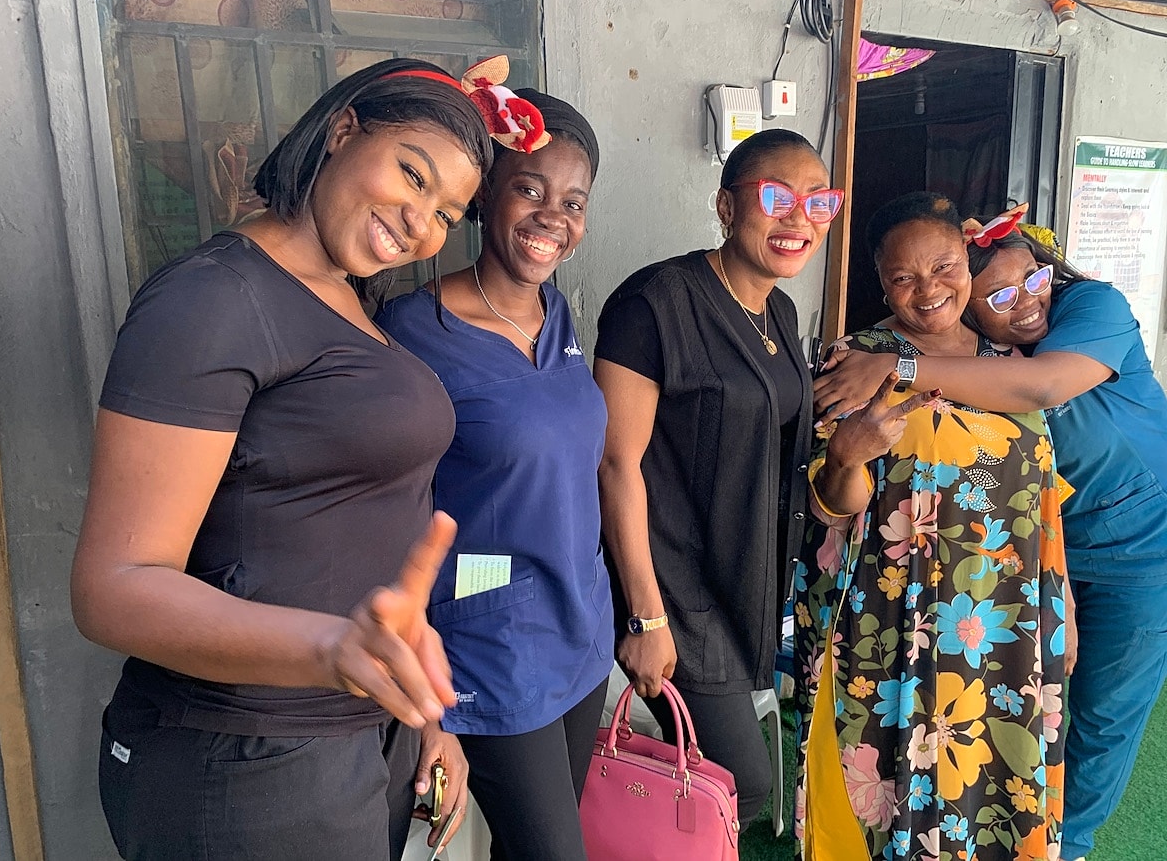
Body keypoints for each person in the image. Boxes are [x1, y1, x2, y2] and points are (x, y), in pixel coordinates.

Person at [70, 58, 502, 860]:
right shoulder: (212, 299)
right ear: (342, 130)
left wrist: (421, 717)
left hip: (350, 742)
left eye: (447, 212)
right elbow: (113, 591)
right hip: (244, 760)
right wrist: (331, 649)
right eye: (412, 174)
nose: (420, 223)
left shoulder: (344, 294)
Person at [814, 208, 1167, 861]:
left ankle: (1073, 848)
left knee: (1097, 721)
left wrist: (903, 363)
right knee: (932, 751)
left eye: (1032, 282)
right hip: (982, 583)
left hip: (1144, 548)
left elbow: (1041, 386)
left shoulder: (1087, 308)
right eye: (999, 296)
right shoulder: (959, 354)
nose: (1027, 303)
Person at [796, 192, 1067, 860]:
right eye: (903, 278)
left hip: (1005, 626)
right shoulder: (855, 363)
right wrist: (849, 453)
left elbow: (1041, 506)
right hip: (890, 625)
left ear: (969, 265)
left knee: (994, 787)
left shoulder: (1009, 365)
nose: (928, 291)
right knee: (887, 797)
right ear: (882, 284)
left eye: (944, 266)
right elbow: (831, 507)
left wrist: (1063, 616)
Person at [376, 90, 610, 861]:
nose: (553, 218)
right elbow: (389, 511)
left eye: (572, 202)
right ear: (485, 197)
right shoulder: (417, 332)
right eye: (530, 189)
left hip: (580, 631)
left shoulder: (559, 319)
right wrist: (425, 706)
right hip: (490, 641)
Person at [592, 128, 839, 826]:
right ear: (727, 207)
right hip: (674, 583)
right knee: (741, 784)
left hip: (742, 578)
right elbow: (616, 462)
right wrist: (645, 614)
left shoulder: (779, 311)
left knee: (717, 782)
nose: (800, 219)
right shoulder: (655, 304)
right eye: (776, 197)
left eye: (819, 201)